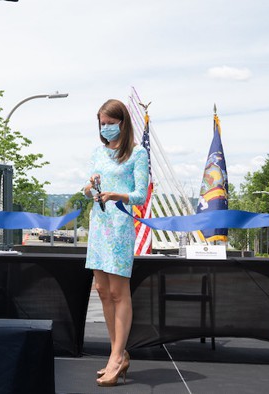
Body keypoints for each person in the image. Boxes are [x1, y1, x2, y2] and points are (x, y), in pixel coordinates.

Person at [82, 99, 149, 387]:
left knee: (119, 292)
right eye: (102, 123)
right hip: (98, 226)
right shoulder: (98, 152)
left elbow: (140, 195)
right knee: (101, 289)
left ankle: (117, 355)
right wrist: (91, 188)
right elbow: (87, 190)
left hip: (120, 226)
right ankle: (116, 353)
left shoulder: (137, 153)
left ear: (122, 122)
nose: (105, 128)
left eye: (110, 123)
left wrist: (115, 194)